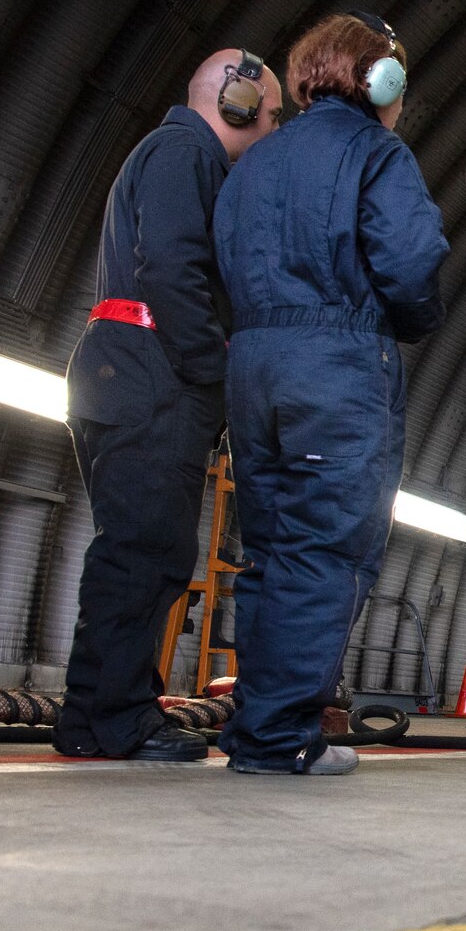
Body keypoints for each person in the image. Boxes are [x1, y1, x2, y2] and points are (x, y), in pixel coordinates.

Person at [213, 12, 448, 776]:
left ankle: (255, 729)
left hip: (252, 368)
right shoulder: (377, 154)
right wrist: (403, 320)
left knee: (270, 553)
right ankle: (281, 741)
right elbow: (412, 267)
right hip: (337, 365)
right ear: (379, 81)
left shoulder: (253, 163)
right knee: (326, 552)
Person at [55, 49, 284, 762]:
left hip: (130, 373)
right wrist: (212, 374)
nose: (274, 131)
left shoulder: (182, 159)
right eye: (272, 115)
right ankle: (107, 720)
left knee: (150, 549)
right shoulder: (182, 151)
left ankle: (110, 712)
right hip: (149, 374)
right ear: (238, 102)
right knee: (142, 550)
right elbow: (173, 268)